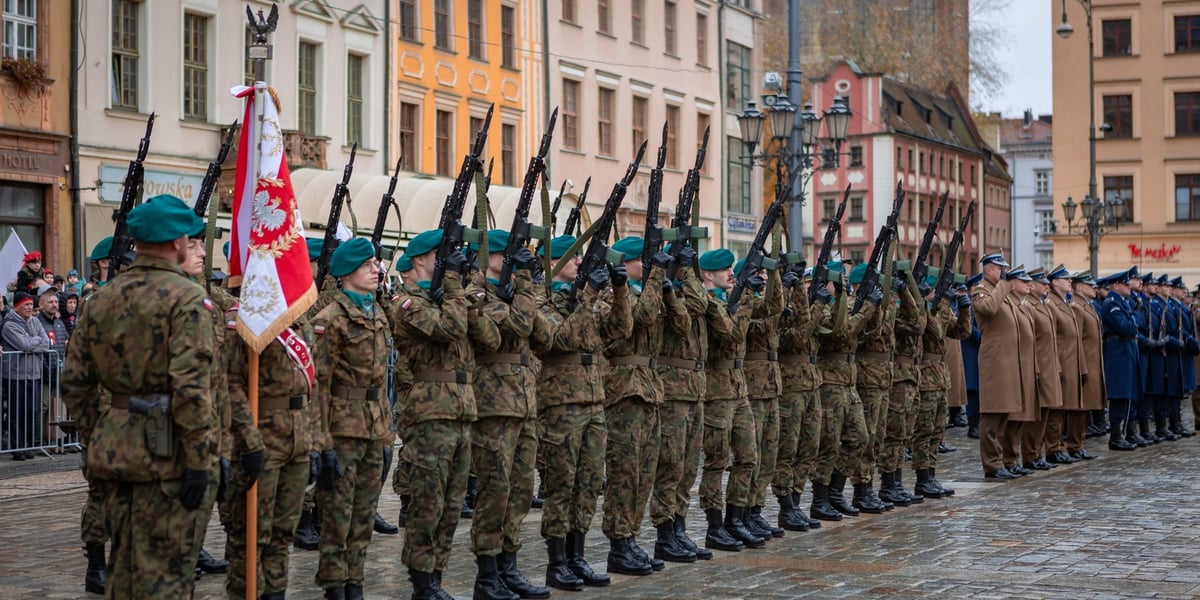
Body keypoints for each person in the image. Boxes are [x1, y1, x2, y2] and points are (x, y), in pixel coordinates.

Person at [61, 194, 218, 598]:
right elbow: (191, 389)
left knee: (123, 566)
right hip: (167, 453)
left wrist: (100, 433)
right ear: (177, 242)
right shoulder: (186, 298)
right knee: (167, 573)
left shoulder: (102, 298)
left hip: (114, 448)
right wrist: (199, 459)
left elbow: (75, 381)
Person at [392, 230, 501, 600]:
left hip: (462, 410)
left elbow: (490, 340)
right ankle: (422, 582)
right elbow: (448, 329)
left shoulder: (451, 299)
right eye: (441, 254)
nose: (449, 260)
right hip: (430, 413)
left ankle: (436, 576)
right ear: (421, 259)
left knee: (452, 505)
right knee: (428, 503)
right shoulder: (407, 302)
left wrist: (464, 298)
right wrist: (454, 287)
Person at [535, 235, 630, 590]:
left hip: (593, 400)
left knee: (588, 483)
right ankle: (557, 561)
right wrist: (587, 294)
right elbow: (558, 340)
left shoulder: (586, 301)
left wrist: (620, 290)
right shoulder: (542, 300)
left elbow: (620, 330)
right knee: (562, 483)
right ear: (554, 263)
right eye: (572, 258)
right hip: (561, 404)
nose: (579, 264)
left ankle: (577, 556)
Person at [466, 230, 550, 600]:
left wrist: (526, 288)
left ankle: (508, 566)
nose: (512, 263)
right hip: (493, 405)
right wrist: (526, 284)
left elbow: (544, 337)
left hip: (525, 403)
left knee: (520, 490)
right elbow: (519, 327)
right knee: (495, 491)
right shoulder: (477, 296)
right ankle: (487, 575)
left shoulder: (515, 295)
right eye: (506, 257)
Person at [312, 237, 394, 600]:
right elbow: (318, 385)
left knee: (364, 515)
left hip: (375, 428)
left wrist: (387, 433)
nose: (375, 271)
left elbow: (382, 381)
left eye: (375, 264)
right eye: (366, 266)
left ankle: (354, 583)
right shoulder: (330, 320)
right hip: (343, 431)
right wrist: (322, 443)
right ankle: (334, 587)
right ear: (346, 274)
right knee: (337, 517)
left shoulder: (377, 313)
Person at [647, 244, 714, 559]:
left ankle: (679, 528)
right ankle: (665, 534)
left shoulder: (685, 295)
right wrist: (685, 272)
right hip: (673, 391)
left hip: (695, 390)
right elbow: (693, 311)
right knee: (670, 466)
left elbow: (701, 303)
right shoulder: (665, 296)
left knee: (687, 468)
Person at [971, 254, 1026, 479]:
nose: (1003, 272)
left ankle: (1002, 460)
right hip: (994, 361)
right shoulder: (980, 291)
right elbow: (989, 309)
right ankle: (992, 465)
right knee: (993, 414)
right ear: (989, 270)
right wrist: (1004, 284)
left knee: (1004, 412)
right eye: (999, 269)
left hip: (1007, 361)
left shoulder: (999, 291)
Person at [3, 290, 49, 460]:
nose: (30, 308)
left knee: (31, 412)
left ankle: (28, 446)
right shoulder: (9, 325)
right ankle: (17, 447)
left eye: (31, 304)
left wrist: (32, 342)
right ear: (17, 306)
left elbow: (46, 344)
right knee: (17, 413)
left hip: (34, 373)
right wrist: (35, 340)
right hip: (16, 375)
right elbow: (24, 345)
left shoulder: (35, 321)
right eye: (27, 305)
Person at [1101, 269, 1142, 451]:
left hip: (1126, 351)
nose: (1129, 287)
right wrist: (1133, 319)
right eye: (1126, 284)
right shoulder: (1112, 303)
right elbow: (1128, 327)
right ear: (1116, 286)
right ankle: (1116, 437)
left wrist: (1132, 320)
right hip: (1118, 354)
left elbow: (1134, 324)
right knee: (1119, 396)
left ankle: (1125, 433)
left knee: (1127, 395)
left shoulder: (1123, 302)